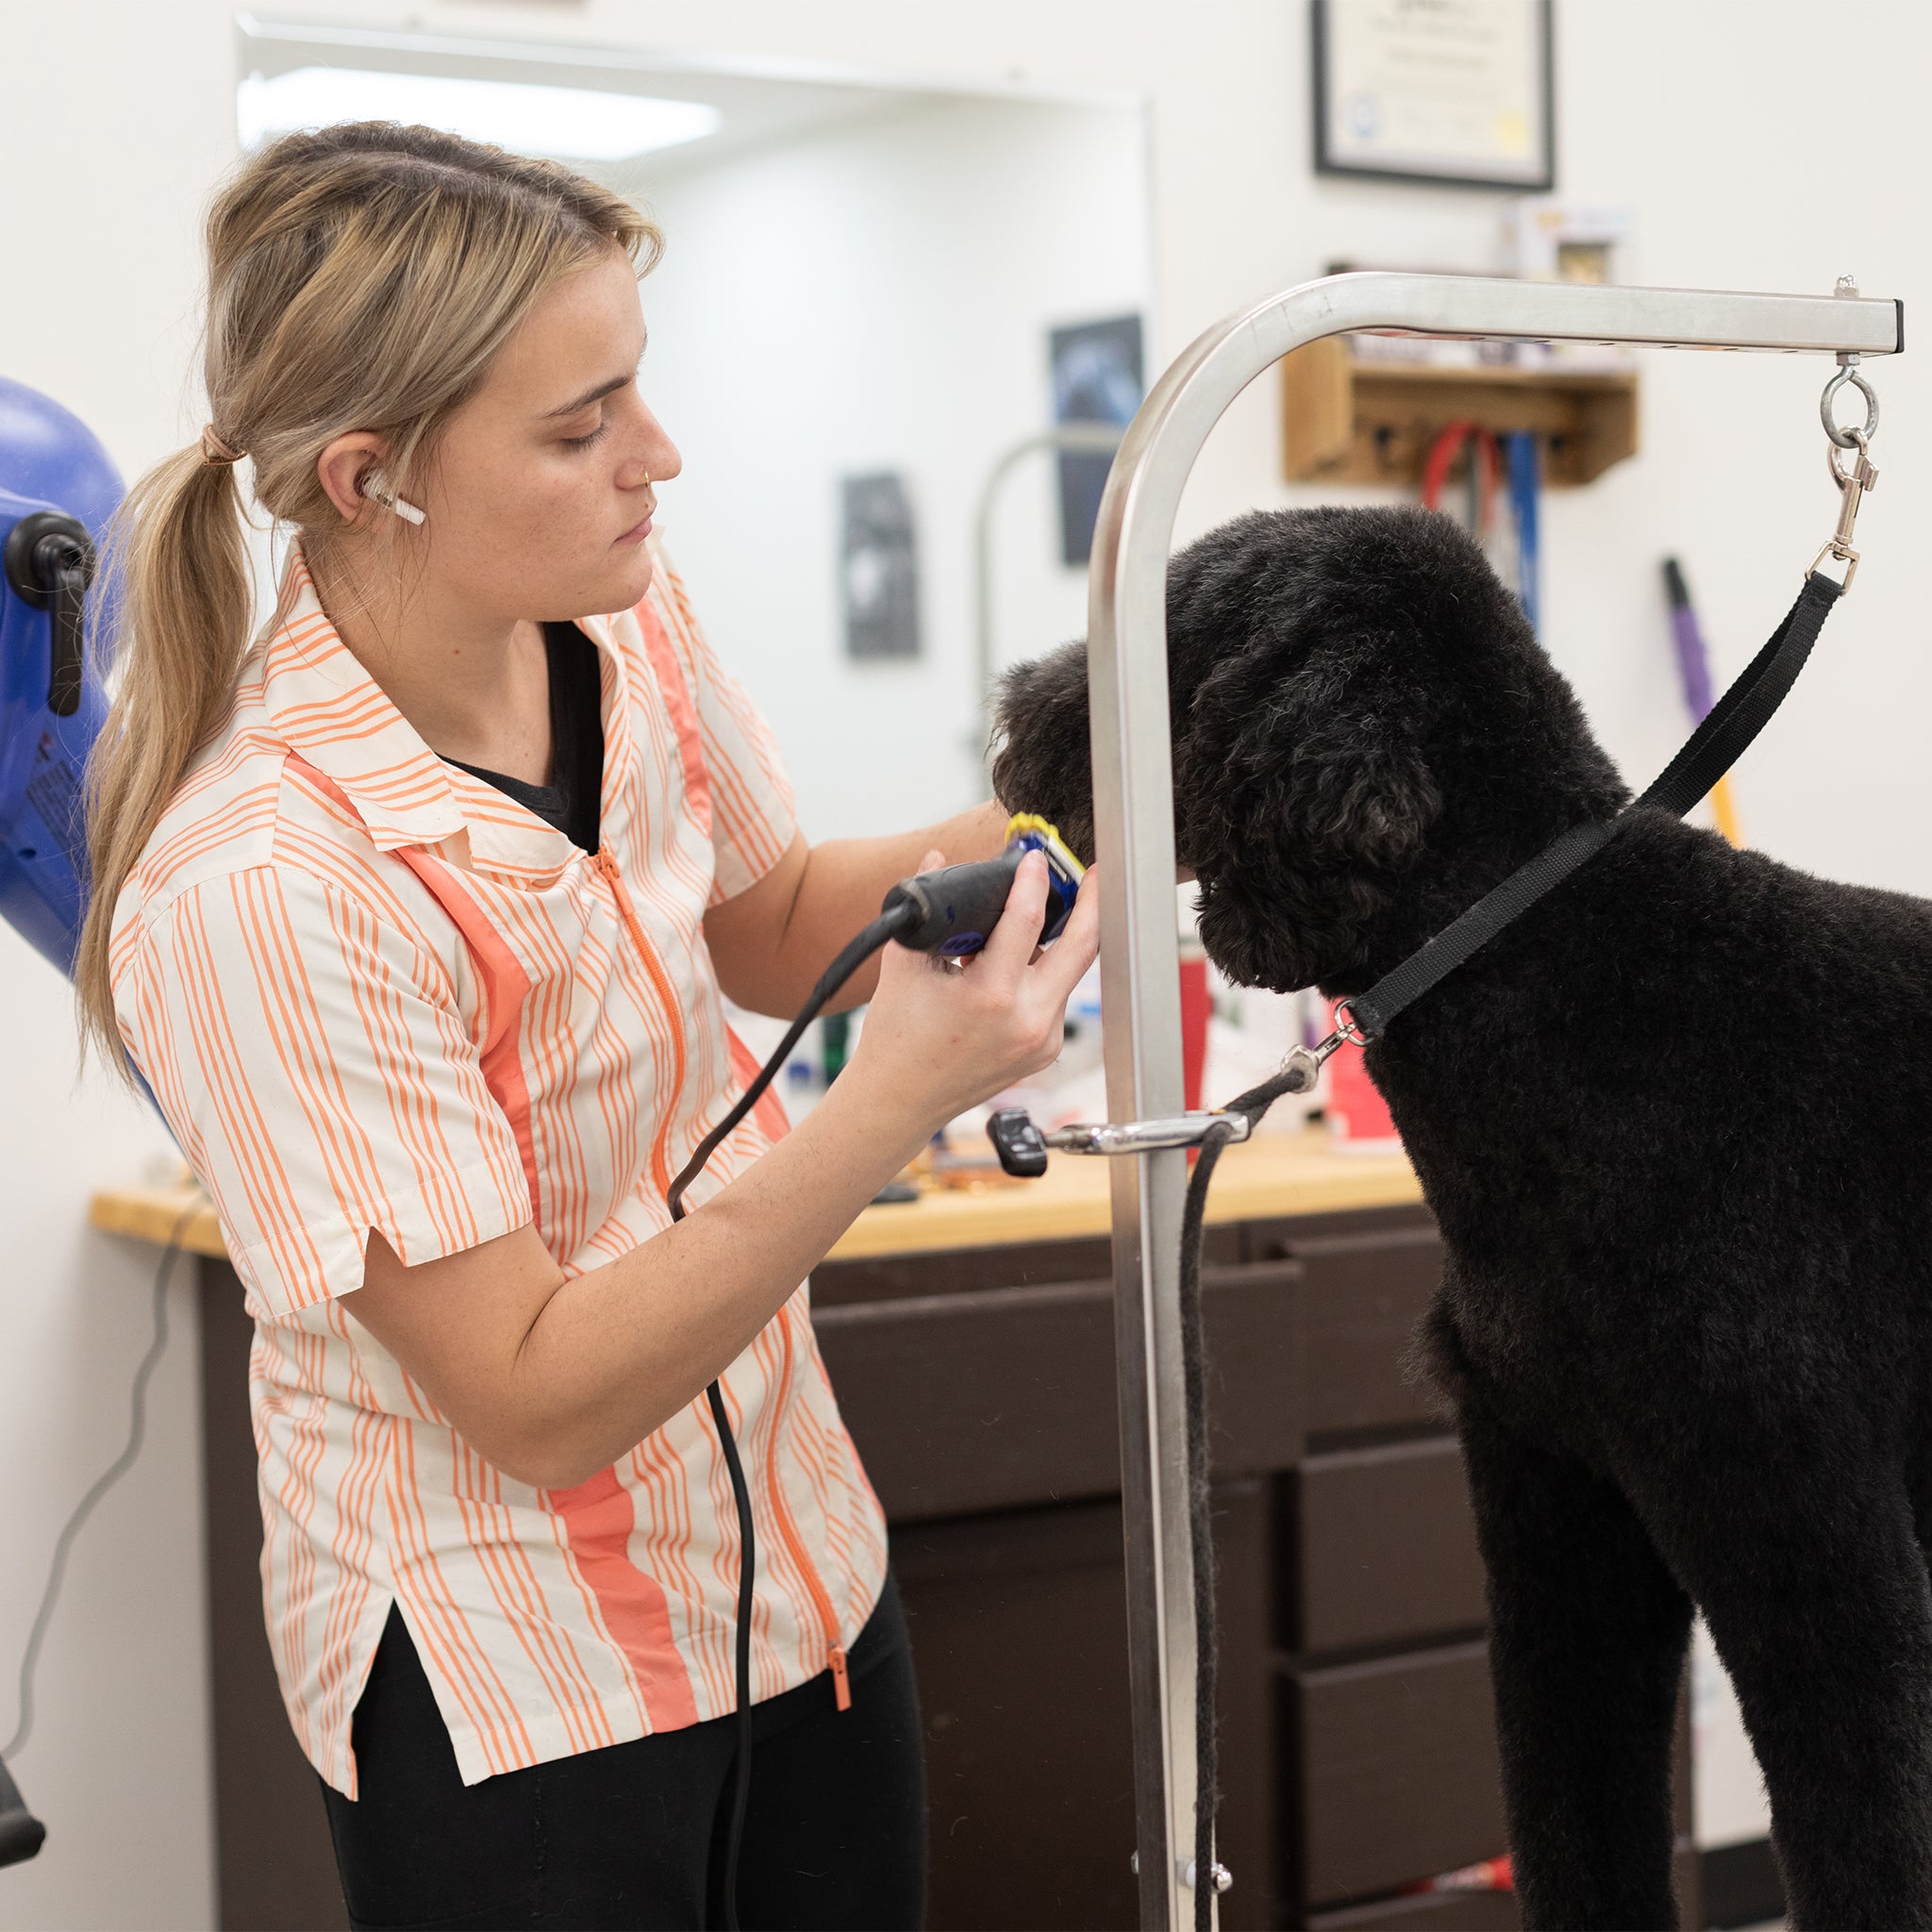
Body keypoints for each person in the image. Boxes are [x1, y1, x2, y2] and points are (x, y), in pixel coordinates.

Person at [76, 122, 1098, 1932]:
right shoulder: (261, 877)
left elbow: (782, 925)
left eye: (636, 391)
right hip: (515, 1676)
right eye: (581, 427)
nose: (659, 458)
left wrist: (1092, 793)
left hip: (796, 1577)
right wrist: (900, 1101)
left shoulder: (616, 634)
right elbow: (536, 1395)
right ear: (373, 476)